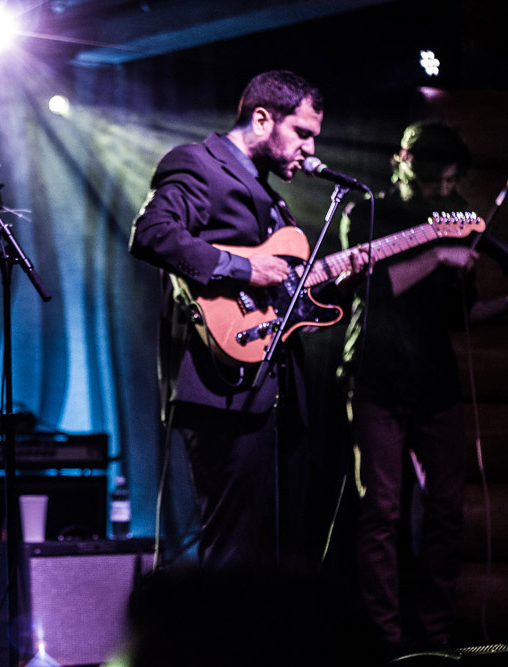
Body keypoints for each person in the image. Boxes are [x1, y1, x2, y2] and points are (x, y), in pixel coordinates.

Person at [129, 70, 367, 574]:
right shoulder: (198, 163)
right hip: (220, 386)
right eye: (302, 133)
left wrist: (338, 275)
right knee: (232, 554)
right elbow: (151, 234)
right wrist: (244, 267)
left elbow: (284, 288)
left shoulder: (269, 194)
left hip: (276, 389)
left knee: (277, 555)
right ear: (262, 119)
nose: (309, 149)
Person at [340, 121, 508, 656]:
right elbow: (376, 286)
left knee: (447, 511)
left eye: (454, 180)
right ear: (406, 160)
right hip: (377, 376)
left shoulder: (453, 215)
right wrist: (437, 255)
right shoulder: (366, 213)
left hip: (434, 380)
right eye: (439, 177)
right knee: (382, 512)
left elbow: (461, 314)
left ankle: (435, 638)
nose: (445, 189)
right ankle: (385, 644)